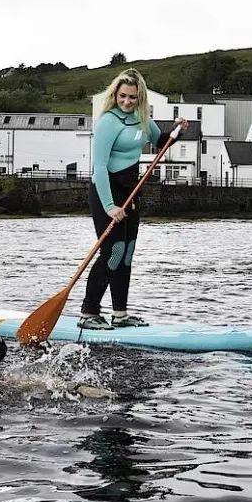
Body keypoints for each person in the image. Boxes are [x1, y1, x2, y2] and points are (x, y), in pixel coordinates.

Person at [79, 68, 188, 330]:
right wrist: (109, 206)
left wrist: (177, 132)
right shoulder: (107, 122)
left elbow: (160, 141)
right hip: (107, 192)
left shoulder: (142, 119)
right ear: (115, 94)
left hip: (131, 191)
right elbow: (100, 168)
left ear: (140, 99)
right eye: (123, 96)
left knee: (126, 254)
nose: (127, 102)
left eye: (133, 98)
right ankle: (88, 313)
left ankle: (120, 313)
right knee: (112, 252)